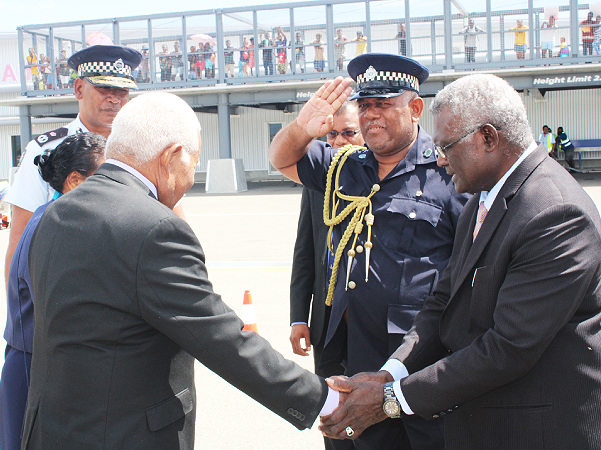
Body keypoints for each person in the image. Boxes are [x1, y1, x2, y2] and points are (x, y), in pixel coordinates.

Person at [21, 92, 340, 450]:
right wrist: (327, 400)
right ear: (173, 156)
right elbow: (221, 338)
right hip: (122, 436)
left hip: (49, 430)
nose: (191, 178)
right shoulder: (153, 227)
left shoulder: (54, 213)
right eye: (194, 163)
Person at [320, 73, 601, 450]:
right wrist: (390, 374)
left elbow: (508, 349)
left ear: (487, 137)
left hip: (538, 431)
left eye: (446, 146)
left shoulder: (554, 212)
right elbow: (442, 304)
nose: (438, 158)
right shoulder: (480, 201)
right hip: (486, 420)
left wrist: (391, 401)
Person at [269, 53, 470, 450]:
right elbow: (281, 157)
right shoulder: (346, 166)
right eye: (364, 105)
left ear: (414, 108)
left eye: (383, 104)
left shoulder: (448, 173)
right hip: (354, 348)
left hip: (419, 355)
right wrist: (300, 127)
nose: (370, 115)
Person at [3, 45, 142, 291]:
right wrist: (21, 320)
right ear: (79, 88)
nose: (114, 98)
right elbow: (21, 238)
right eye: (103, 88)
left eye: (122, 90)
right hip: (70, 290)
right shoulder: (45, 150)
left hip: (131, 284)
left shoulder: (142, 148)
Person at [0, 132, 106, 450]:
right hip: (36, 370)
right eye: (106, 177)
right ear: (75, 180)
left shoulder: (55, 216)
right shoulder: (57, 226)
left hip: (43, 362)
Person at [289, 101, 364, 450]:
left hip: (371, 322)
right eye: (332, 134)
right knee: (332, 413)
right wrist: (297, 318)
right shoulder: (318, 180)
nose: (339, 142)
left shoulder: (382, 180)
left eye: (349, 133)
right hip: (327, 322)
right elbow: (304, 252)